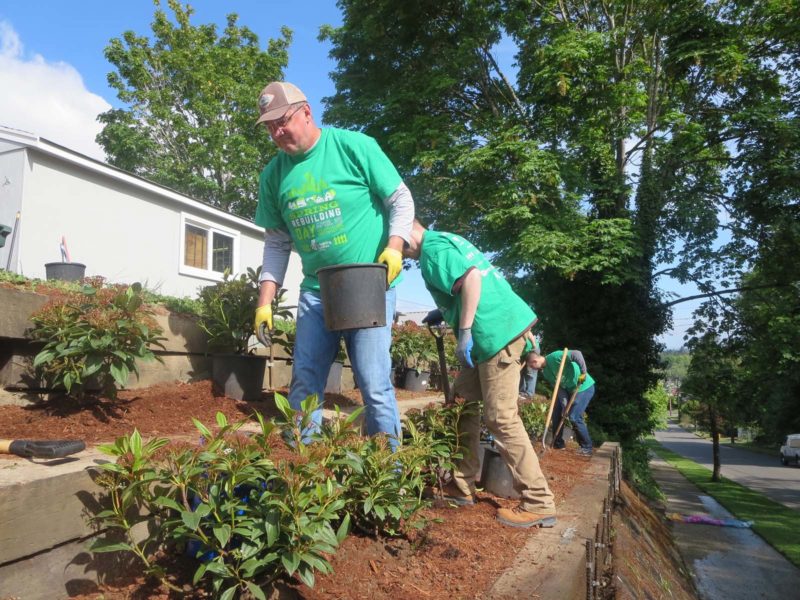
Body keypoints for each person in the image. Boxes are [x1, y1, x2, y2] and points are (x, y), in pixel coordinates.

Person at [252, 81, 414, 448]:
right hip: (316, 291)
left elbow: (401, 200)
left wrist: (394, 247)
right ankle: (301, 469)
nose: (277, 132)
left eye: (282, 121)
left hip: (368, 285)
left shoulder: (354, 147)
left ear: (306, 113)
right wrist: (264, 302)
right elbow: (277, 242)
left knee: (373, 382)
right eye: (269, 127)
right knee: (305, 381)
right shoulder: (273, 176)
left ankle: (388, 470)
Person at [406, 220, 557, 528]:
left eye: (394, 241)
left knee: (500, 417)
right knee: (463, 405)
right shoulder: (448, 237)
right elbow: (478, 283)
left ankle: (539, 502)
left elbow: (472, 279)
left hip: (493, 338)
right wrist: (447, 311)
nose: (398, 251)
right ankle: (461, 486)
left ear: (405, 229)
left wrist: (462, 330)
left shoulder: (432, 252)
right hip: (496, 333)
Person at [526, 350, 596, 455]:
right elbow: (560, 388)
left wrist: (583, 372)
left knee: (574, 417)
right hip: (569, 390)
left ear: (535, 361)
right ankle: (558, 444)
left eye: (531, 366)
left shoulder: (555, 357)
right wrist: (564, 406)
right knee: (557, 413)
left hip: (584, 387)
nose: (532, 369)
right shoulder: (545, 372)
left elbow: (577, 354)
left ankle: (587, 447)